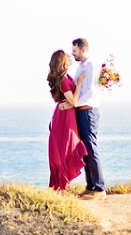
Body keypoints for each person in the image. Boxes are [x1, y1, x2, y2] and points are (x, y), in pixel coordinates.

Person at [61, 37, 106, 200]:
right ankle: (90, 186)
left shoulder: (92, 66)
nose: (72, 54)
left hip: (88, 111)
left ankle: (100, 188)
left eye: (75, 51)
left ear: (83, 50)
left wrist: (73, 103)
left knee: (91, 148)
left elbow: (91, 92)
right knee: (84, 150)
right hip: (80, 111)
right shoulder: (80, 68)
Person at [46, 49, 87, 190]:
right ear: (63, 61)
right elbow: (73, 100)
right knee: (66, 148)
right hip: (65, 117)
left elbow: (71, 101)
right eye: (67, 56)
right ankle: (61, 185)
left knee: (65, 148)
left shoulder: (64, 76)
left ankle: (62, 185)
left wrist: (70, 103)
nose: (70, 57)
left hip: (64, 113)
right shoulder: (63, 80)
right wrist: (80, 83)